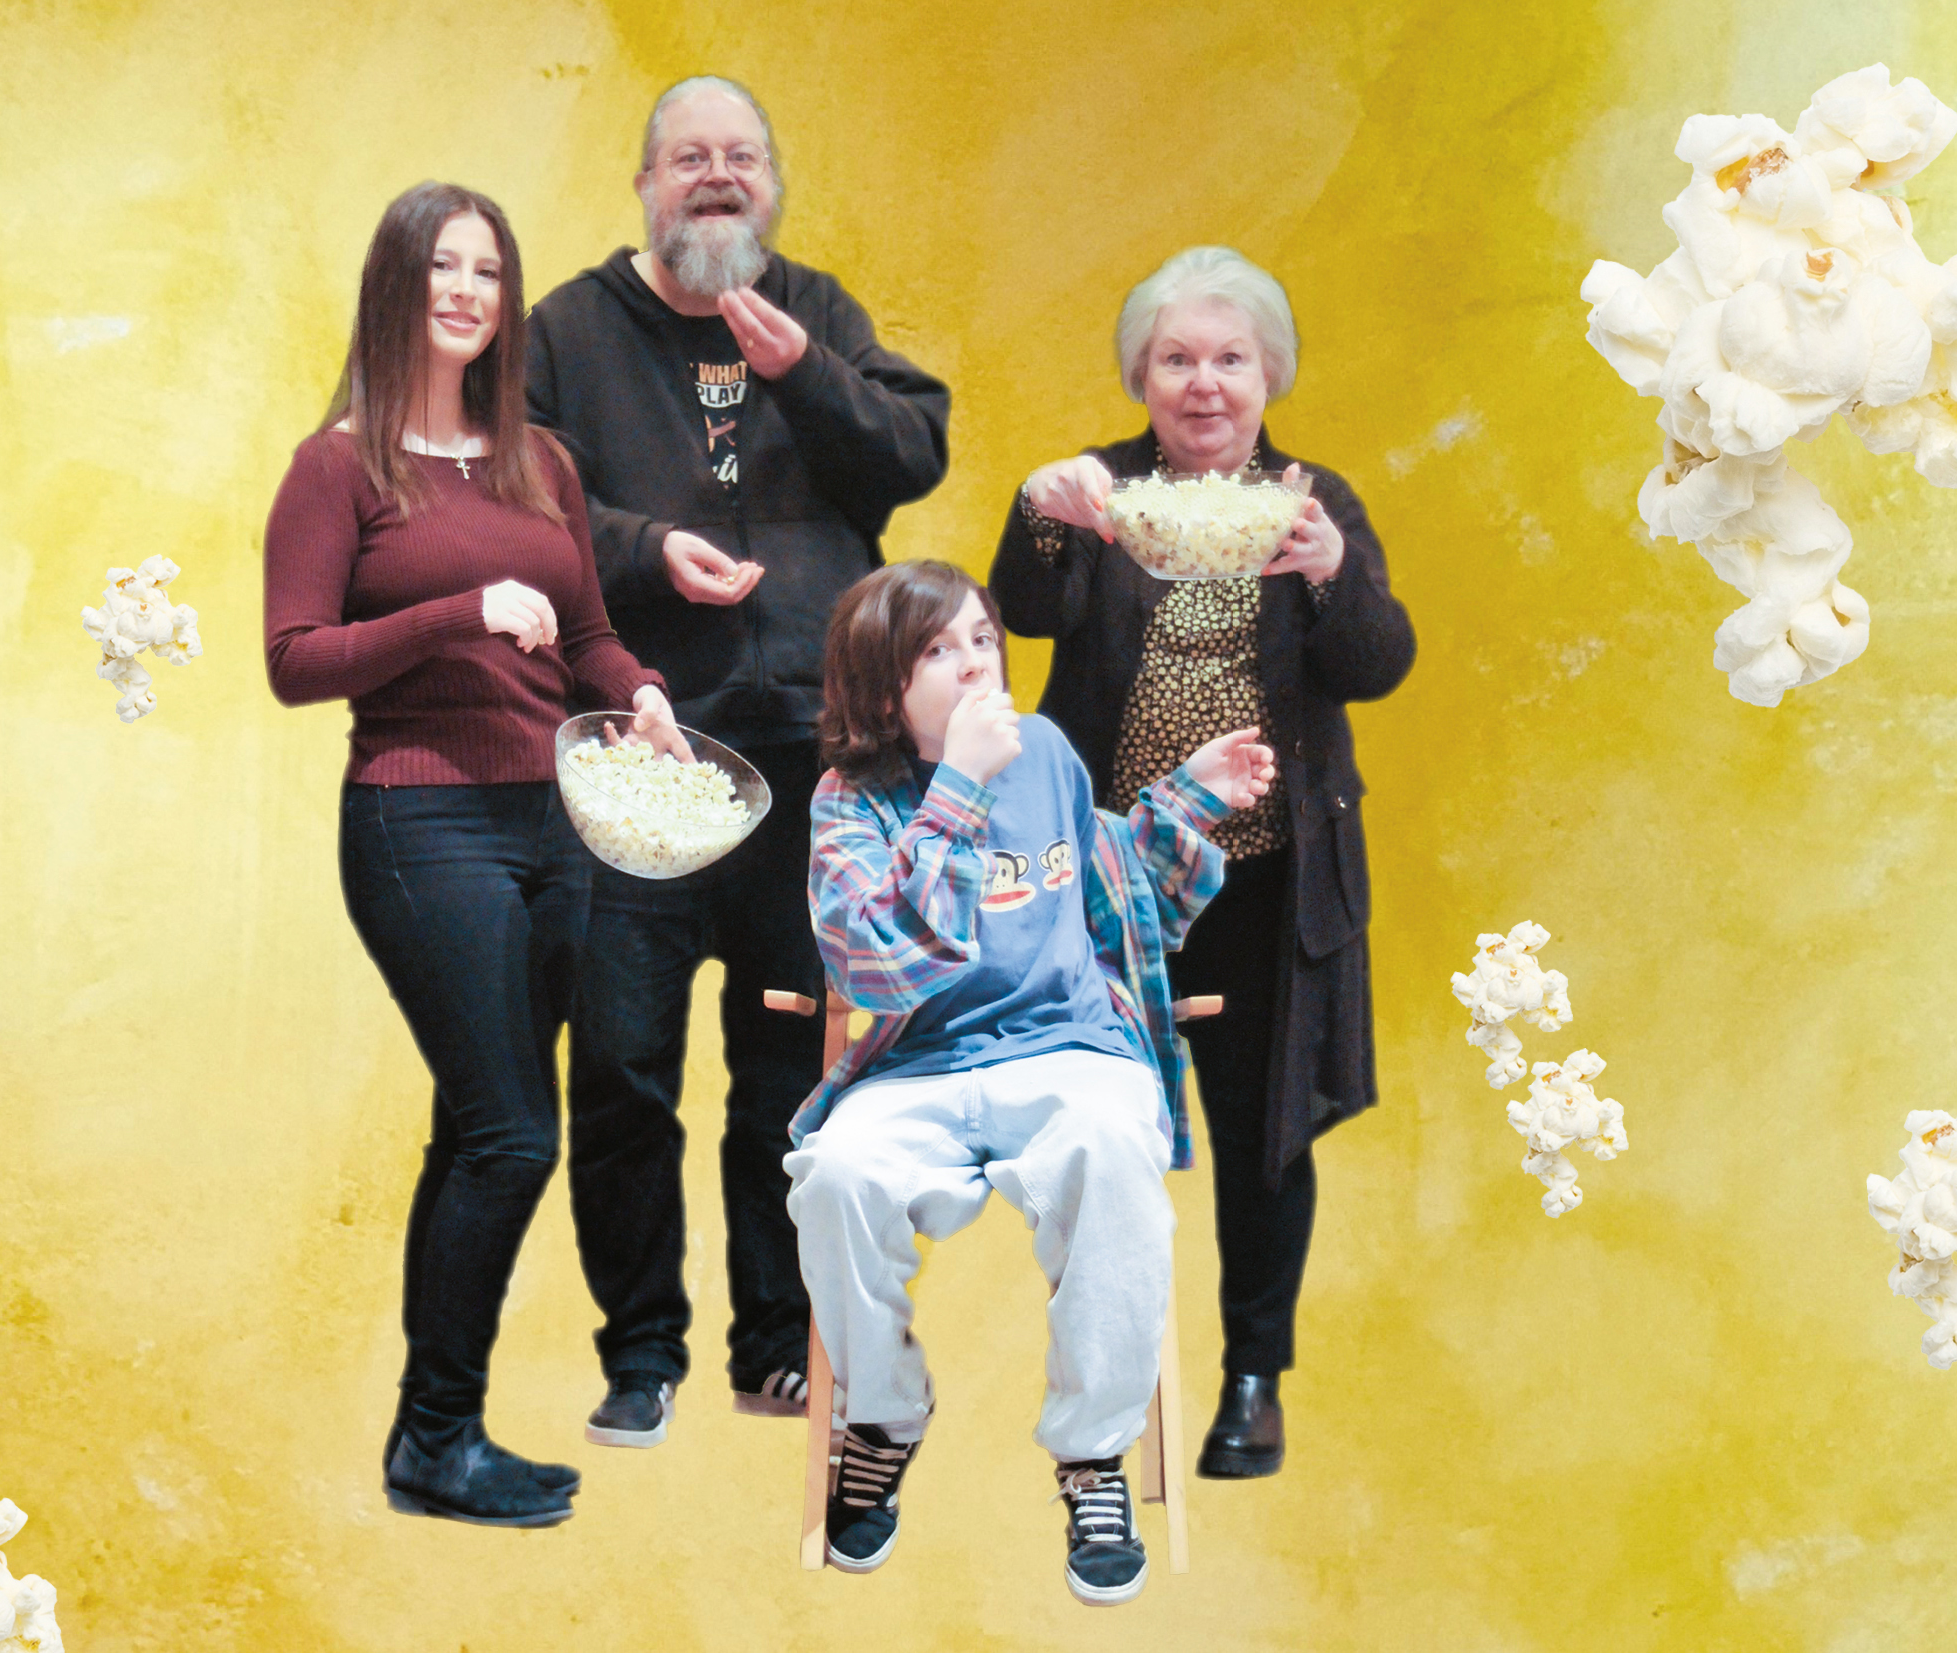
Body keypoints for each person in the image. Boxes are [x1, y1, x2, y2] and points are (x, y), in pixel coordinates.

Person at [525, 74, 951, 1446]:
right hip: (642, 760)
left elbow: (911, 454)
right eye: (690, 157)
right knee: (622, 1069)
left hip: (811, 768)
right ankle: (640, 1351)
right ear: (646, 185)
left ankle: (775, 1344)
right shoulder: (567, 331)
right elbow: (515, 507)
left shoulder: (817, 311)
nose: (718, 177)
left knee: (789, 1069)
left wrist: (803, 374)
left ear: (771, 184)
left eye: (743, 157)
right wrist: (648, 551)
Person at [264, 182, 686, 1528]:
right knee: (512, 1135)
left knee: (469, 1129)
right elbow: (294, 661)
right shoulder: (338, 466)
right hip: (421, 821)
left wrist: (641, 694)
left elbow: (588, 635)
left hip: (556, 823)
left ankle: (429, 1439)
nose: (465, 291)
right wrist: (456, 612)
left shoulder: (538, 463)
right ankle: (438, 1438)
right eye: (441, 267)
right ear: (395, 288)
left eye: (488, 272)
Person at [988, 245, 1415, 1482]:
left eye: (1230, 358)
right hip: (1112, 877)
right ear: (1141, 376)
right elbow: (1025, 610)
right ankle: (1102, 1379)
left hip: (1264, 876)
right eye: (1175, 359)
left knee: (1263, 1135)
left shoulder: (1310, 501)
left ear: (1268, 373)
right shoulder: (1100, 490)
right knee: (1095, 1132)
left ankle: (1251, 1379)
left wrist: (1331, 574)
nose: (1203, 383)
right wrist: (1037, 511)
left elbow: (1375, 664)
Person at [786, 559, 1276, 1605]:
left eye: (982, 638)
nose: (976, 665)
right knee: (834, 1177)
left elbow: (1111, 875)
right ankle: (882, 1417)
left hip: (1069, 1047)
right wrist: (958, 791)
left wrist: (1192, 795)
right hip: (919, 1065)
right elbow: (874, 966)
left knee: (1114, 1151)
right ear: (882, 689)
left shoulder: (1044, 751)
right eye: (938, 650)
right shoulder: (850, 802)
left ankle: (1094, 1455)